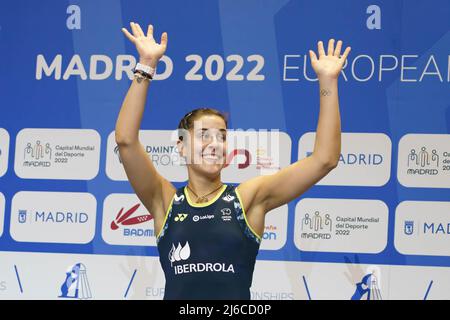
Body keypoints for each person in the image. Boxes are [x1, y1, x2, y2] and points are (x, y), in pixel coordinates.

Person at [116, 21, 351, 300]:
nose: (215, 144)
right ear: (181, 146)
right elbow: (126, 141)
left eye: (222, 136)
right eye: (204, 135)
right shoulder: (164, 200)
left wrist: (328, 83)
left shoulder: (248, 198)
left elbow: (325, 159)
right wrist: (145, 65)